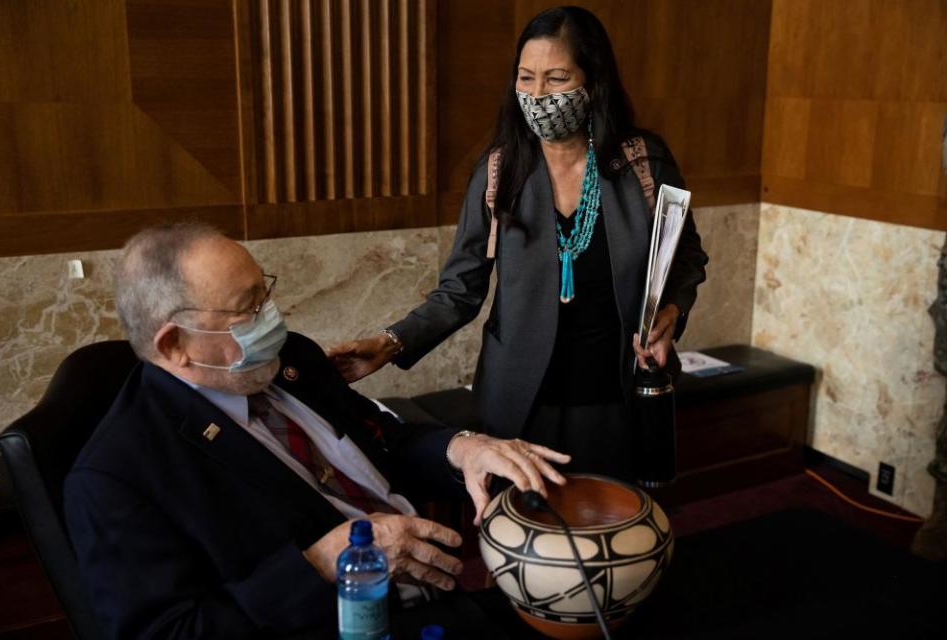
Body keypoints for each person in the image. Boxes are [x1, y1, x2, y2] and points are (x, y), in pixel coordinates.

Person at [64, 223, 569, 639]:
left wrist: (463, 448)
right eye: (248, 307)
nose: (274, 317)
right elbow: (171, 633)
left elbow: (385, 443)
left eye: (266, 292)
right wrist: (323, 564)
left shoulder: (292, 360)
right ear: (174, 344)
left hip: (440, 591)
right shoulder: (115, 477)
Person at [328, 6, 708, 481]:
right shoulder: (498, 171)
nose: (537, 94)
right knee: (524, 540)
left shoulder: (643, 164)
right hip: (520, 405)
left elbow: (686, 254)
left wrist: (672, 310)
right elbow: (459, 292)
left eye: (556, 77)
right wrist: (389, 344)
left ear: (593, 79)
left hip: (616, 397)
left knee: (605, 538)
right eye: (526, 78)